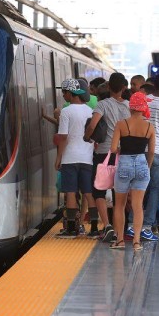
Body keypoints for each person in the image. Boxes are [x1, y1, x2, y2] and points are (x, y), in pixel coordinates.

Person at [130, 73, 159, 241]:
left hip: (137, 148)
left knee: (136, 187)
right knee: (155, 189)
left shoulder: (143, 99)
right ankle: (147, 226)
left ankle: (131, 223)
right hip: (157, 152)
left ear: (153, 84)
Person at [84, 73, 129, 242]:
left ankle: (108, 225)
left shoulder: (102, 105)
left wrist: (87, 138)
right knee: (119, 192)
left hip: (104, 153)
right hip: (123, 154)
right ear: (124, 87)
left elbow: (92, 126)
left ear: (109, 87)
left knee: (99, 191)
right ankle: (119, 231)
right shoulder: (129, 106)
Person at [109, 92, 155, 251]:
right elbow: (151, 152)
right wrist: (147, 167)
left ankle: (120, 241)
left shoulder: (121, 124)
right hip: (142, 163)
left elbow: (113, 148)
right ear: (144, 107)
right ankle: (136, 242)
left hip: (125, 163)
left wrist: (123, 149)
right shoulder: (150, 126)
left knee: (120, 205)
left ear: (131, 107)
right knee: (137, 205)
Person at [55, 79, 97, 238]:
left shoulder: (66, 111)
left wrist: (58, 157)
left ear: (69, 93)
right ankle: (93, 228)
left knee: (71, 192)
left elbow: (63, 137)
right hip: (87, 158)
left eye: (63, 93)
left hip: (69, 158)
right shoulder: (89, 110)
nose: (63, 96)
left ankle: (71, 229)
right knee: (88, 192)